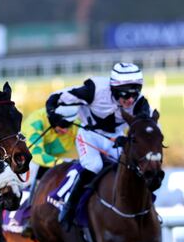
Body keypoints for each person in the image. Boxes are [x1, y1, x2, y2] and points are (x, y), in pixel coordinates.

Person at [47, 62, 150, 228]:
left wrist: (130, 139)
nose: (131, 99)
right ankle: (70, 207)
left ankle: (146, 207)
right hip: (89, 136)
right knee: (95, 165)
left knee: (134, 168)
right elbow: (55, 98)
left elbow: (144, 130)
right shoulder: (93, 90)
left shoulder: (140, 103)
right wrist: (53, 116)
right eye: (125, 94)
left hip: (116, 139)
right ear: (114, 89)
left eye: (135, 92)